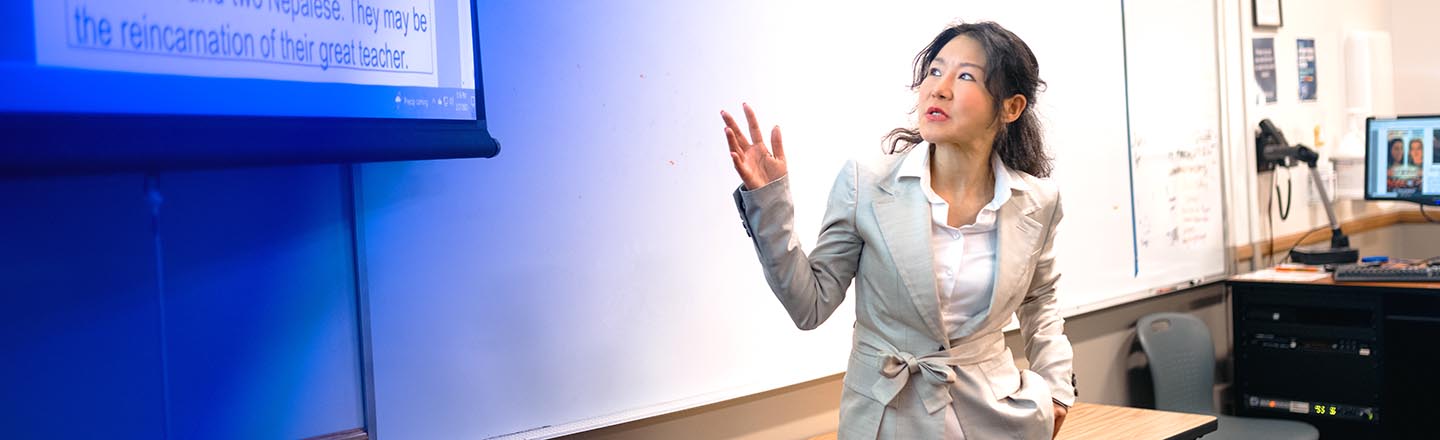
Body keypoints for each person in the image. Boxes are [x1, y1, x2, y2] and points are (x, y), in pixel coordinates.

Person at [722, 22, 1074, 439]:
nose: (939, 88)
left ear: (1011, 108)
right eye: (934, 71)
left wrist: (1057, 389)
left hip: (995, 417)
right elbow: (809, 306)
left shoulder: (1038, 200)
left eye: (965, 76)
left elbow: (1040, 300)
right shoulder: (866, 185)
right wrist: (769, 203)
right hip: (887, 415)